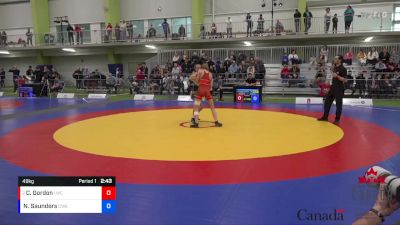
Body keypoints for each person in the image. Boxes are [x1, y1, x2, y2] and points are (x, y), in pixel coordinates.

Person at [189, 63, 222, 128]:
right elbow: (210, 86)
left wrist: (196, 81)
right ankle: (216, 122)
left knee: (196, 107)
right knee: (212, 108)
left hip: (200, 89)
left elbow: (197, 79)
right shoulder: (210, 74)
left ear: (202, 67)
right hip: (207, 90)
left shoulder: (200, 71)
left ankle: (196, 123)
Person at [318, 55, 347, 124]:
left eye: (336, 59)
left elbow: (345, 80)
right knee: (327, 102)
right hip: (333, 87)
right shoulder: (335, 68)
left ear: (340, 60)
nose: (334, 59)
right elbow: (331, 71)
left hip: (339, 88)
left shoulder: (343, 69)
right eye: (334, 58)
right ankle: (325, 116)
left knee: (338, 104)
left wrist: (337, 76)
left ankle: (337, 119)